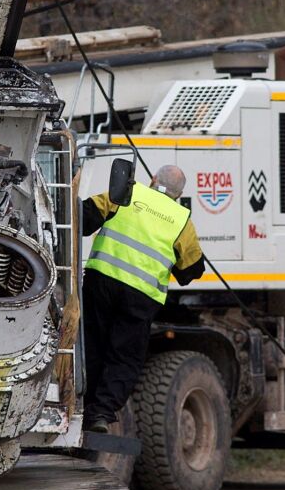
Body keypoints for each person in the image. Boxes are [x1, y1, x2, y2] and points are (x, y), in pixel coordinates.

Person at [80, 164, 205, 432]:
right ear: (179, 194)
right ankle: (100, 413)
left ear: (153, 179)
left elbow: (85, 217)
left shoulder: (127, 192)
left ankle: (80, 402)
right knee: (124, 356)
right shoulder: (182, 219)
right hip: (140, 296)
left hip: (101, 280)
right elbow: (192, 270)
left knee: (93, 343)